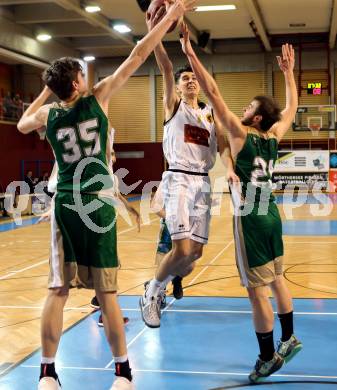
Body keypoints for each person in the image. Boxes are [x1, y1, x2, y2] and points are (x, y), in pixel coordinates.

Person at [17, 2, 195, 389]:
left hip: (65, 201)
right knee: (107, 293)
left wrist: (48, 89)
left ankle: (47, 373)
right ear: (78, 83)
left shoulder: (49, 116)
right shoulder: (98, 97)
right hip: (96, 203)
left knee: (57, 291)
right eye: (80, 73)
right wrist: (168, 18)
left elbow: (20, 122)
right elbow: (139, 52)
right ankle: (123, 373)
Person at [180, 23, 302, 383]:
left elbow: (214, 91)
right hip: (272, 214)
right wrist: (289, 74)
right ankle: (289, 337)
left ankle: (267, 358)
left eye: (249, 107)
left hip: (249, 217)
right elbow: (293, 108)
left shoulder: (240, 133)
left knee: (256, 293)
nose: (243, 109)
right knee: (278, 278)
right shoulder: (273, 137)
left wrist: (190, 54)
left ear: (256, 118)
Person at [140, 13, 229, 328]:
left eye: (194, 77)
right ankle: (152, 293)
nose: (191, 80)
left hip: (203, 184)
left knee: (194, 256)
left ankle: (166, 281)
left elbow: (223, 146)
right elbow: (164, 66)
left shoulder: (208, 114)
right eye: (185, 78)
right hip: (178, 177)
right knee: (180, 247)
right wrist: (155, 30)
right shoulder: (174, 106)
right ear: (177, 88)